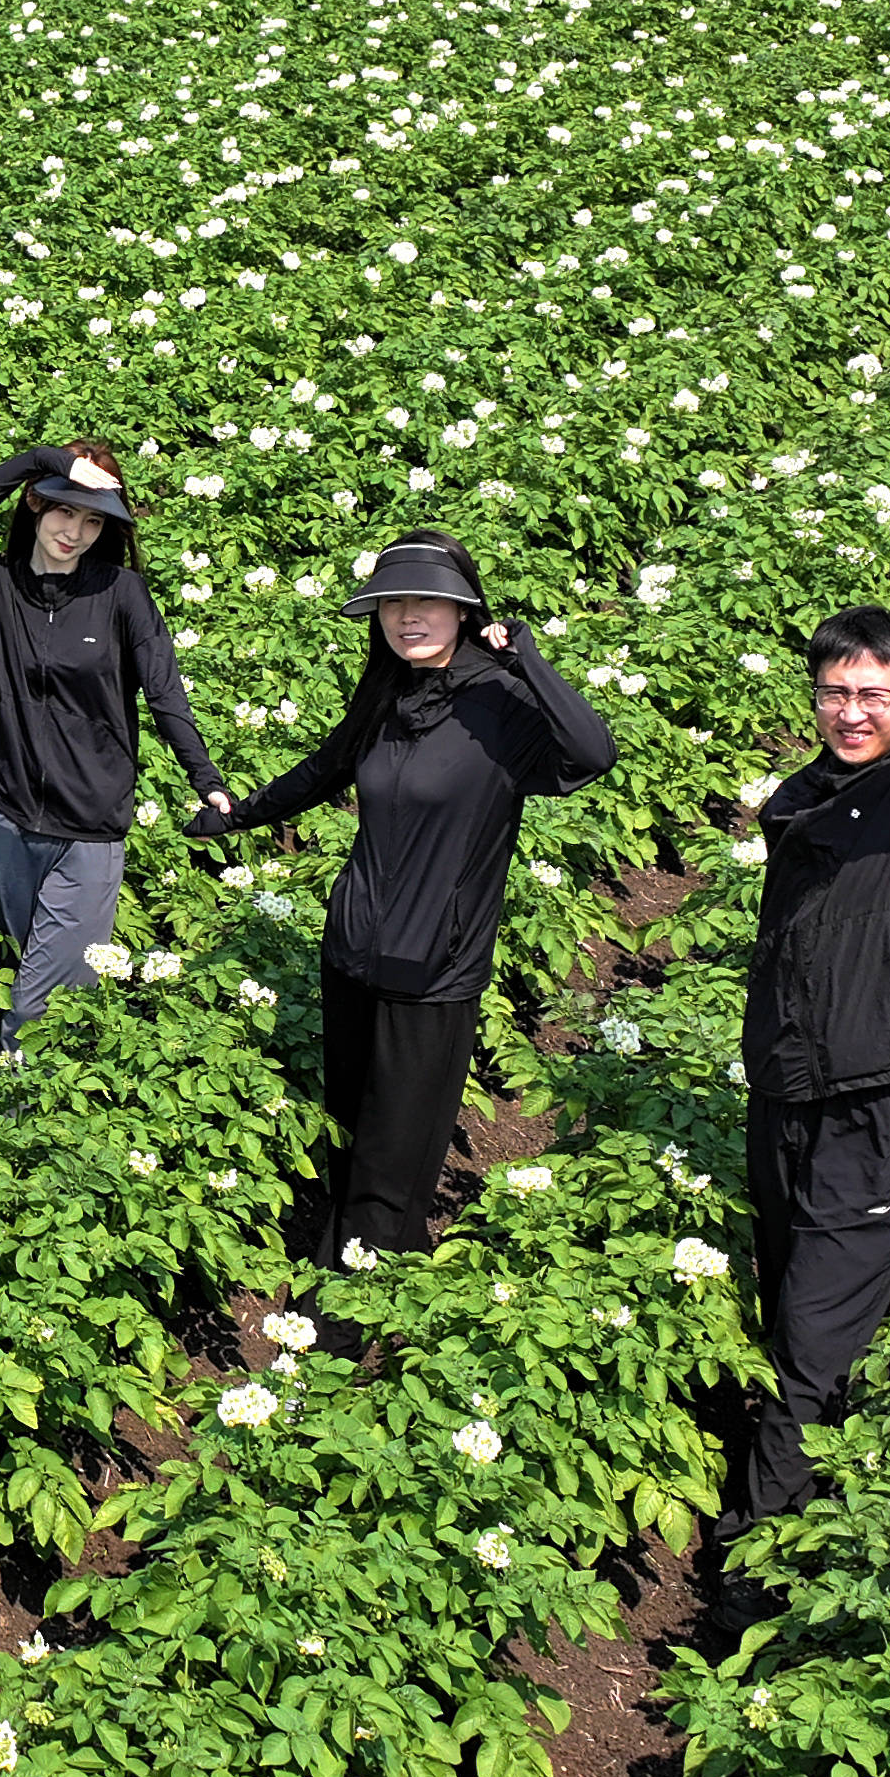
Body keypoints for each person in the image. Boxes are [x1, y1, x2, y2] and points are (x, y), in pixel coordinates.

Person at [698, 546, 890, 1648]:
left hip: (871, 1104)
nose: (850, 709)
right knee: (789, 1302)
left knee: (809, 1348)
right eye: (834, 690)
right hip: (784, 1090)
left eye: (874, 692)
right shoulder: (811, 787)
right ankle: (795, 1507)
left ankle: (752, 1578)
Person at [185, 530, 616, 1263]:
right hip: (352, 948)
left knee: (399, 1145)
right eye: (392, 603)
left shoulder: (502, 703)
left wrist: (526, 658)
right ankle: (350, 1256)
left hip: (434, 965)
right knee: (352, 1126)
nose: (407, 617)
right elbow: (326, 767)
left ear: (463, 608)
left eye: (427, 602)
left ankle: (350, 1317)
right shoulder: (388, 691)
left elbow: (592, 752)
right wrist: (240, 811)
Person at [0, 443, 231, 1037]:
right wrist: (42, 461)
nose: (76, 532)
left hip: (86, 832)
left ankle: (1, 1121)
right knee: (22, 969)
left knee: (37, 1007)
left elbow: (165, 694)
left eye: (94, 520)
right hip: (7, 820)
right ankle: (33, 1106)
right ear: (37, 507)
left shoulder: (120, 593)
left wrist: (206, 779)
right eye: (65, 512)